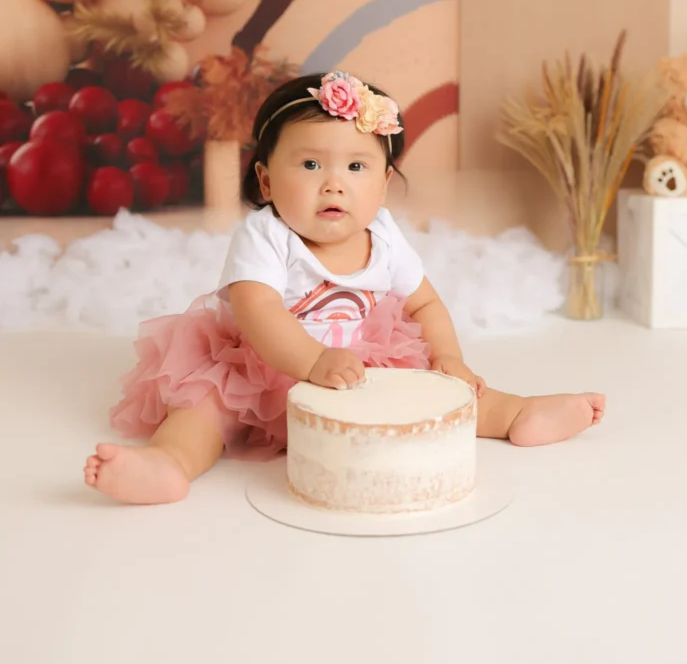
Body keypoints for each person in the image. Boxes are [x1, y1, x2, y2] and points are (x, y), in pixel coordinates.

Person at [84, 71, 605, 505]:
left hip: (361, 364)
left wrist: (449, 357)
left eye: (357, 167)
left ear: (383, 185)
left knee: (437, 392)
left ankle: (516, 414)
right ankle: (168, 463)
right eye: (310, 164)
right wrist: (313, 361)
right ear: (266, 181)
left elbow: (424, 302)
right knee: (202, 409)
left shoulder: (385, 236)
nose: (334, 183)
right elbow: (257, 309)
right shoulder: (266, 235)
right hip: (262, 367)